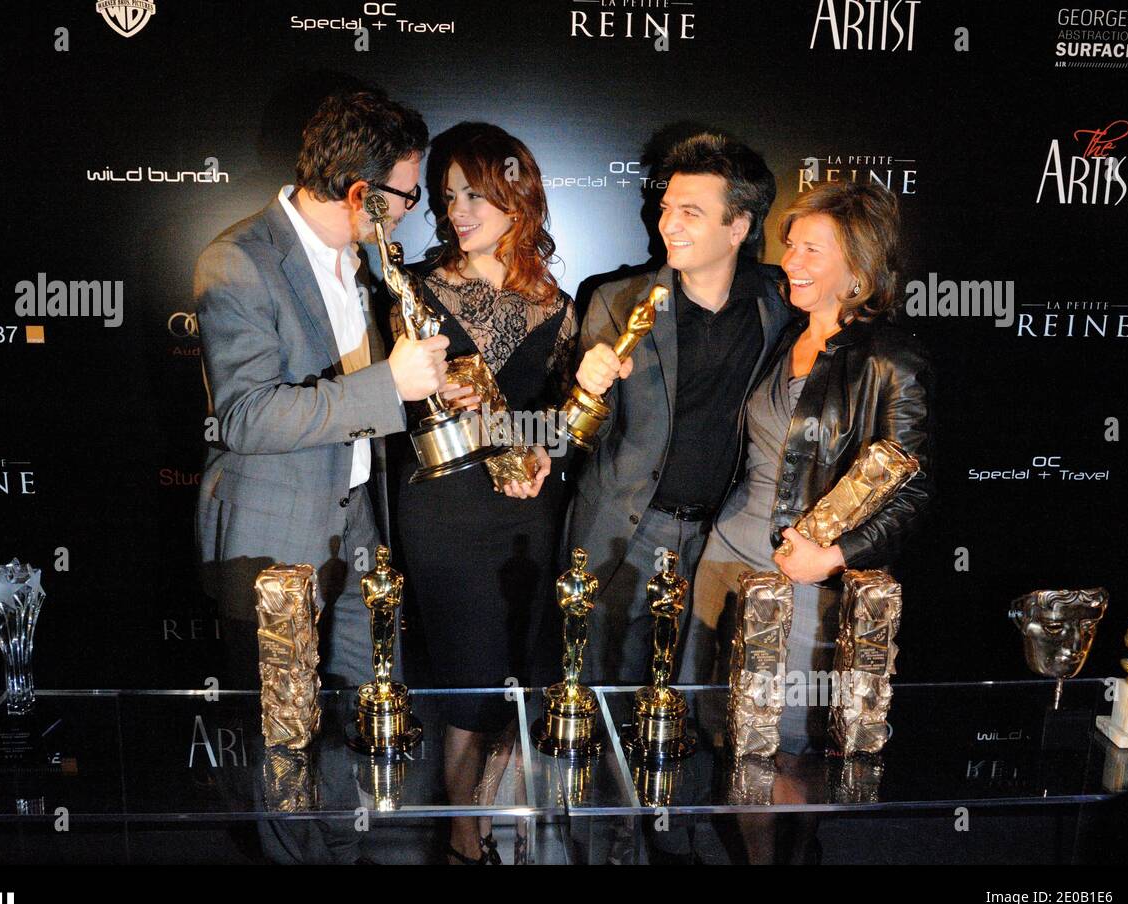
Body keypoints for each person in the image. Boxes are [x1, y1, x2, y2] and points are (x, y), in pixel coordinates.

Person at [194, 89, 449, 692]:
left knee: (372, 715)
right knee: (281, 741)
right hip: (273, 543)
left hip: (359, 523)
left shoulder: (363, 261)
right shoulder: (238, 260)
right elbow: (246, 416)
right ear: (362, 193)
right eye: (405, 194)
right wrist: (390, 384)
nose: (411, 209)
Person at [687, 180, 935, 744]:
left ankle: (790, 835)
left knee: (783, 743)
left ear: (858, 268)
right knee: (723, 729)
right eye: (790, 245)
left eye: (811, 251)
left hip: (802, 574)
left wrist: (832, 557)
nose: (791, 261)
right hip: (726, 557)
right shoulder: (785, 333)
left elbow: (913, 492)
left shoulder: (892, 360)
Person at [389, 124, 576, 864]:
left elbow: (564, 421)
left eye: (475, 193)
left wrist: (541, 451)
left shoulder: (560, 304)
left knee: (519, 681)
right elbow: (394, 410)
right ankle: (464, 842)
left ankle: (488, 823)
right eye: (446, 197)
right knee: (468, 683)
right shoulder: (415, 293)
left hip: (529, 512)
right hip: (446, 510)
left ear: (516, 192)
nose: (457, 210)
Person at [565, 132, 793, 686]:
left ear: (737, 227)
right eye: (668, 209)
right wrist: (587, 389)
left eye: (691, 213)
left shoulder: (778, 301)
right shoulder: (619, 302)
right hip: (624, 535)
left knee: (694, 700)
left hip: (723, 540)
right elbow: (575, 435)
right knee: (599, 695)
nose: (669, 225)